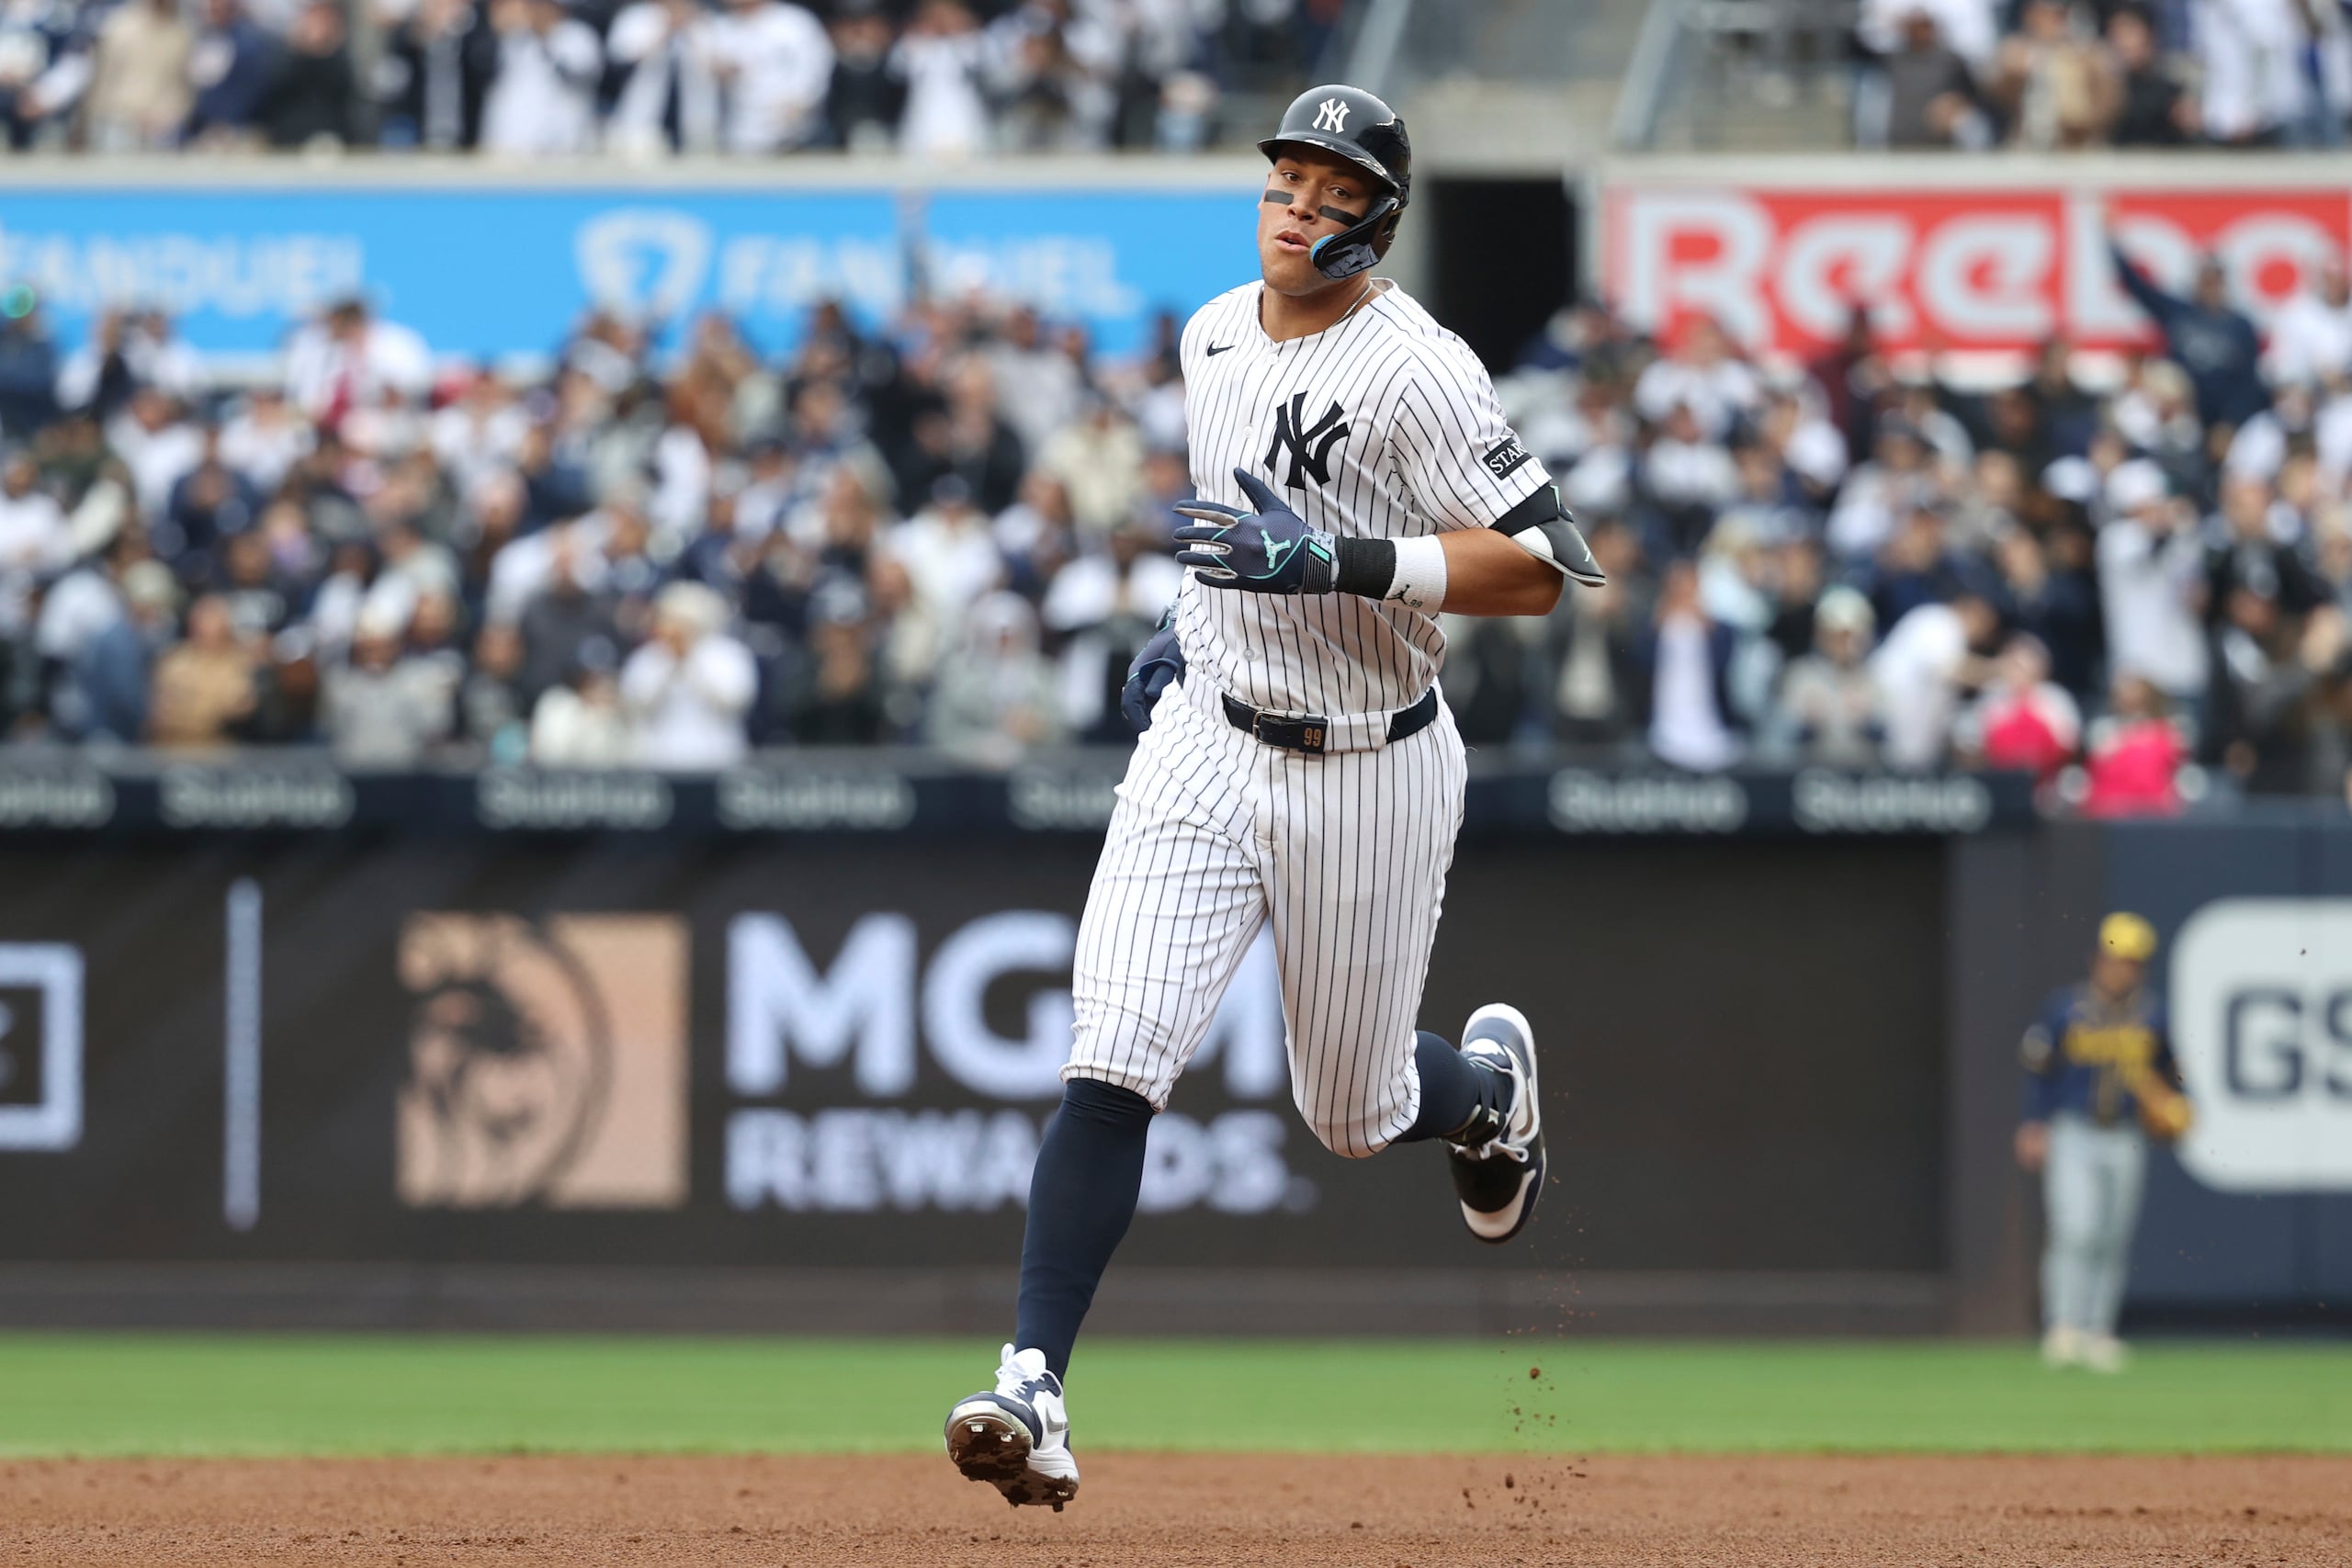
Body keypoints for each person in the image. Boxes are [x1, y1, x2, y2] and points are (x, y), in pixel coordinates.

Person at [941, 84, 1605, 1511]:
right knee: (1112, 1050)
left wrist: (1348, 564)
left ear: (1378, 217)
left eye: (1331, 188)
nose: (1299, 207)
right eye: (1285, 181)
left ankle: (1486, 1094)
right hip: (1206, 738)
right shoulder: (1213, 330)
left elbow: (1549, 568)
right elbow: (1231, 522)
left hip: (1370, 757)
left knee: (1356, 1110)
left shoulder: (1417, 367)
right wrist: (1191, 621)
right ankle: (1032, 1383)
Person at [2016, 912, 2191, 1373]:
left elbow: (2174, 1071)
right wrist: (2034, 1123)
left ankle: (2097, 1332)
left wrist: (2178, 1104)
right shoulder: (2064, 1009)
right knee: (2075, 1228)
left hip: (2126, 1136)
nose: (2121, 969)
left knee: (2111, 1238)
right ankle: (2062, 1327)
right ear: (2098, 958)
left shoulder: (2153, 1014)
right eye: (2115, 959)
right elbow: (2039, 1069)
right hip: (2074, 1130)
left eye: (2131, 961)